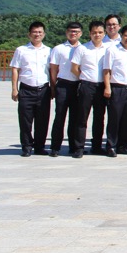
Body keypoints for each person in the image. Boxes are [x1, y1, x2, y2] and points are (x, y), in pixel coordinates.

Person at [10, 21, 52, 157]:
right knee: (25, 120)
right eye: (34, 32)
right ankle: (27, 146)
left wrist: (53, 88)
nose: (37, 34)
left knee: (43, 120)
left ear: (44, 34)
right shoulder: (21, 50)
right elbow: (15, 69)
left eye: (40, 32)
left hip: (44, 89)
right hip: (26, 90)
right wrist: (14, 89)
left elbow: (52, 71)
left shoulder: (49, 51)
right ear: (29, 34)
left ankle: (39, 147)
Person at [71, 21, 108, 157]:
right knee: (82, 117)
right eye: (94, 32)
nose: (97, 35)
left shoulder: (108, 49)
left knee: (99, 118)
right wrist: (84, 77)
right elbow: (74, 68)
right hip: (87, 85)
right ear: (89, 34)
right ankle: (78, 147)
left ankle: (97, 146)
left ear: (104, 33)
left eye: (100, 32)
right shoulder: (82, 48)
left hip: (102, 86)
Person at [47, 21, 83, 157]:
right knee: (60, 116)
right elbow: (53, 70)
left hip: (78, 85)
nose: (73, 34)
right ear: (66, 32)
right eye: (71, 31)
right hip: (63, 85)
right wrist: (53, 87)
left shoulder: (84, 48)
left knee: (75, 118)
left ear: (81, 33)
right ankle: (55, 147)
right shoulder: (58, 48)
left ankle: (74, 147)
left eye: (76, 31)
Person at [102, 25, 127, 156]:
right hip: (117, 88)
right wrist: (107, 87)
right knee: (114, 118)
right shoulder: (112, 50)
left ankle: (123, 145)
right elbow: (106, 70)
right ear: (121, 35)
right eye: (126, 35)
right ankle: (111, 145)